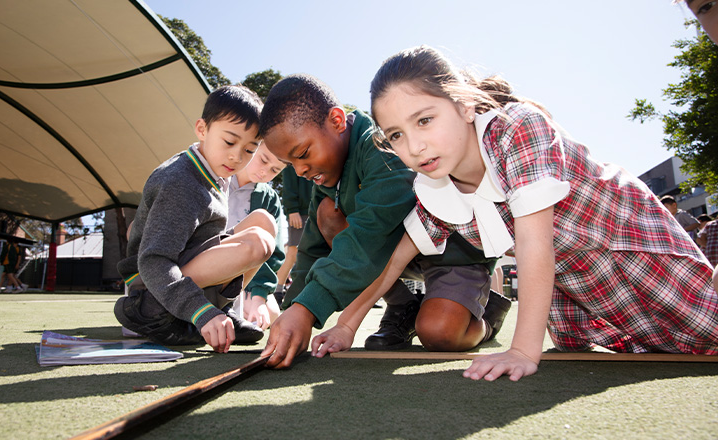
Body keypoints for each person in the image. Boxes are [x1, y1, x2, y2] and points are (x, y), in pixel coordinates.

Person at [362, 45, 718, 381]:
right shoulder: (435, 185)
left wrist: (522, 351)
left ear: (465, 105)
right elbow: (395, 261)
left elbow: (534, 243)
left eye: (424, 120)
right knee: (625, 352)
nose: (414, 146)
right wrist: (347, 324)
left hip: (626, 243)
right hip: (576, 281)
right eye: (396, 135)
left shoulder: (515, 127)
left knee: (708, 331)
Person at [259, 74, 503, 369]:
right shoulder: (325, 175)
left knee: (440, 333)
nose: (299, 171)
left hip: (453, 253)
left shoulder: (382, 146)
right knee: (326, 213)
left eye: (303, 154)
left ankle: (488, 315)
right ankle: (403, 306)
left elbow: (369, 237)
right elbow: (312, 250)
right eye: (290, 163)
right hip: (400, 252)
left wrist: (308, 309)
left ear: (337, 121)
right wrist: (293, 310)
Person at [115, 85, 277, 352]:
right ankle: (153, 312)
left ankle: (224, 311)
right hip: (152, 282)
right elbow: (154, 260)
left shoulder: (215, 173)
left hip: (184, 266)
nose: (237, 156)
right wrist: (200, 311)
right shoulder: (181, 181)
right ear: (202, 129)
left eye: (250, 150)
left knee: (263, 222)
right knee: (257, 243)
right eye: (229, 142)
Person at [226, 141, 288, 330]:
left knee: (270, 313)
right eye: (263, 160)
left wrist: (258, 296)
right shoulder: (222, 178)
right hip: (209, 261)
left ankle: (239, 301)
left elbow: (273, 252)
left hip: (243, 274)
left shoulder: (268, 198)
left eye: (275, 170)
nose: (265, 172)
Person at [274, 165, 313, 304]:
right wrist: (292, 209)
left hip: (318, 210)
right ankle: (277, 290)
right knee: (293, 252)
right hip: (300, 212)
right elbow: (289, 185)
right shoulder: (292, 162)